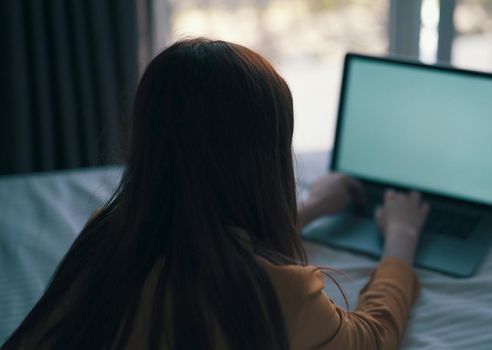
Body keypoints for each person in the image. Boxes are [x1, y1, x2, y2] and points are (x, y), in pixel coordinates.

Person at [1, 38, 429, 350]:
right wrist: (401, 239)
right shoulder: (277, 293)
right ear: (262, 163)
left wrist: (314, 206)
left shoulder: (104, 236)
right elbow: (372, 336)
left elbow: (199, 227)